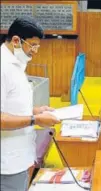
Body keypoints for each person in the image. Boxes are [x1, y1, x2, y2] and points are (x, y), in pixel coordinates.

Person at [1, 16, 61, 191]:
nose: (35, 51)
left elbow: (12, 105)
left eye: (38, 46)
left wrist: (37, 110)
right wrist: (35, 119)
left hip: (20, 156)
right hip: (7, 163)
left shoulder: (17, 64)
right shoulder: (2, 67)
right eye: (33, 45)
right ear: (16, 41)